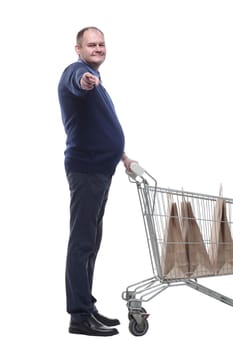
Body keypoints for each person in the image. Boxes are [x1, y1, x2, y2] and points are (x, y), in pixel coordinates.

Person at [58, 26, 134, 337]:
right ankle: (78, 316)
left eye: (102, 44)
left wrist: (124, 156)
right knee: (82, 243)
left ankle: (86, 306)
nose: (98, 48)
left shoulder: (98, 81)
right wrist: (85, 81)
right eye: (92, 44)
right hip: (86, 170)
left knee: (92, 243)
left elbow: (103, 128)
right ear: (78, 48)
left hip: (101, 171)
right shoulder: (77, 72)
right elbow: (76, 84)